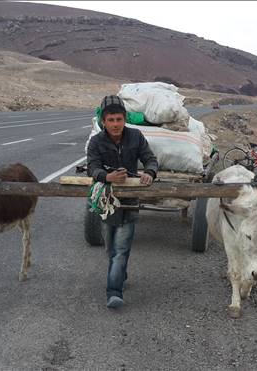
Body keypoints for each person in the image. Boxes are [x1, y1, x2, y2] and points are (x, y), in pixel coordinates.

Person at [87, 95, 159, 309]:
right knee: (111, 248)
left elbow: (151, 159)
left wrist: (149, 172)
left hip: (129, 201)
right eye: (111, 120)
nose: (115, 124)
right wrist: (106, 177)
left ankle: (114, 292)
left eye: (119, 119)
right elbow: (92, 167)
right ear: (104, 121)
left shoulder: (136, 136)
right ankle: (120, 274)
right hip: (108, 201)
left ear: (125, 119)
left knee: (120, 250)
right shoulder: (96, 141)